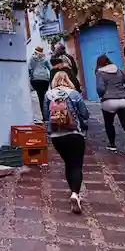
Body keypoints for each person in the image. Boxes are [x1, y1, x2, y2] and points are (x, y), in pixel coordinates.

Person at [44, 71, 89, 214]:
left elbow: (46, 115)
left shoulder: (48, 95)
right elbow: (85, 114)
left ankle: (73, 192)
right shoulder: (74, 94)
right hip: (74, 133)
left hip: (57, 136)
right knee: (76, 164)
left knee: (68, 163)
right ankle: (75, 193)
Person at [94, 54, 125, 158]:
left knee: (109, 123)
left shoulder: (99, 73)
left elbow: (100, 88)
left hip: (109, 101)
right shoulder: (119, 70)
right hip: (124, 101)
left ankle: (112, 144)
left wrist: (102, 96)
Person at [28, 46, 52, 122]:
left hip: (36, 80)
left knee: (39, 98)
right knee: (44, 97)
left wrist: (30, 78)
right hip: (45, 80)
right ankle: (46, 115)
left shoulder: (32, 59)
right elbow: (50, 68)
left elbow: (29, 69)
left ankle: (43, 116)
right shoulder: (45, 58)